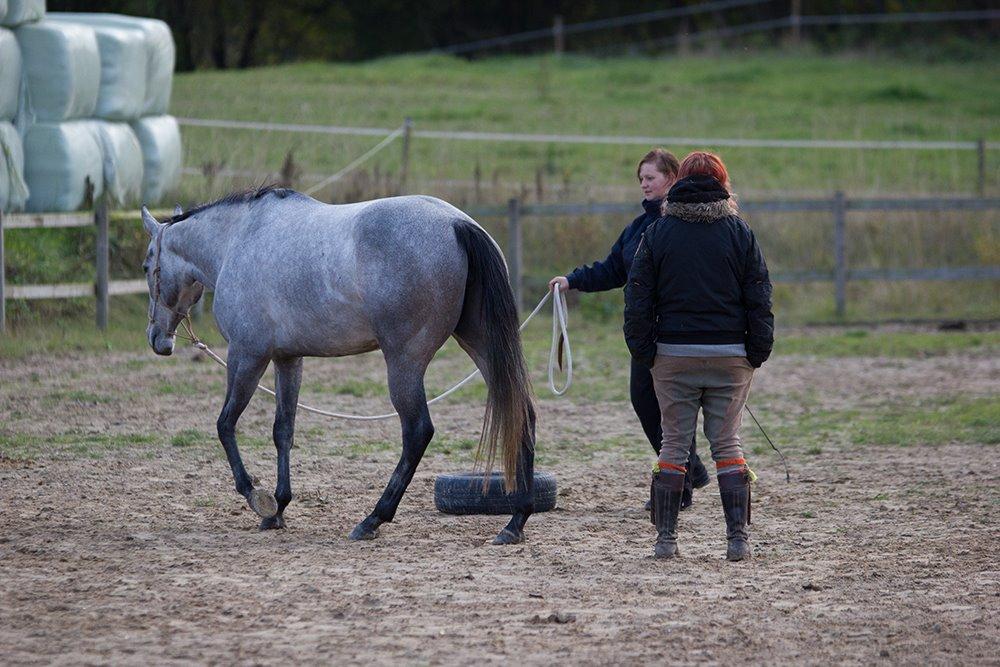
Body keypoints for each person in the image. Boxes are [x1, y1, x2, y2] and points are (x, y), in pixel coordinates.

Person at [624, 151, 773, 561]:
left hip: (672, 356)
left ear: (680, 182)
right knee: (727, 444)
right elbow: (759, 295)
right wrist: (756, 353)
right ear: (723, 184)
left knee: (673, 445)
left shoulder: (658, 232)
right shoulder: (739, 232)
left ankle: (666, 541)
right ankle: (737, 540)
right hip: (730, 356)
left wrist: (645, 353)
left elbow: (637, 298)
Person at [549, 148, 709, 509]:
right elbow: (612, 269)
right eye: (641, 179)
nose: (644, 185)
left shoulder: (678, 226)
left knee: (673, 407)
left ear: (670, 178)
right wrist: (571, 281)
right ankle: (688, 470)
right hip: (645, 335)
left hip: (675, 333)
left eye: (650, 178)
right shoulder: (637, 229)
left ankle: (679, 483)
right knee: (645, 402)